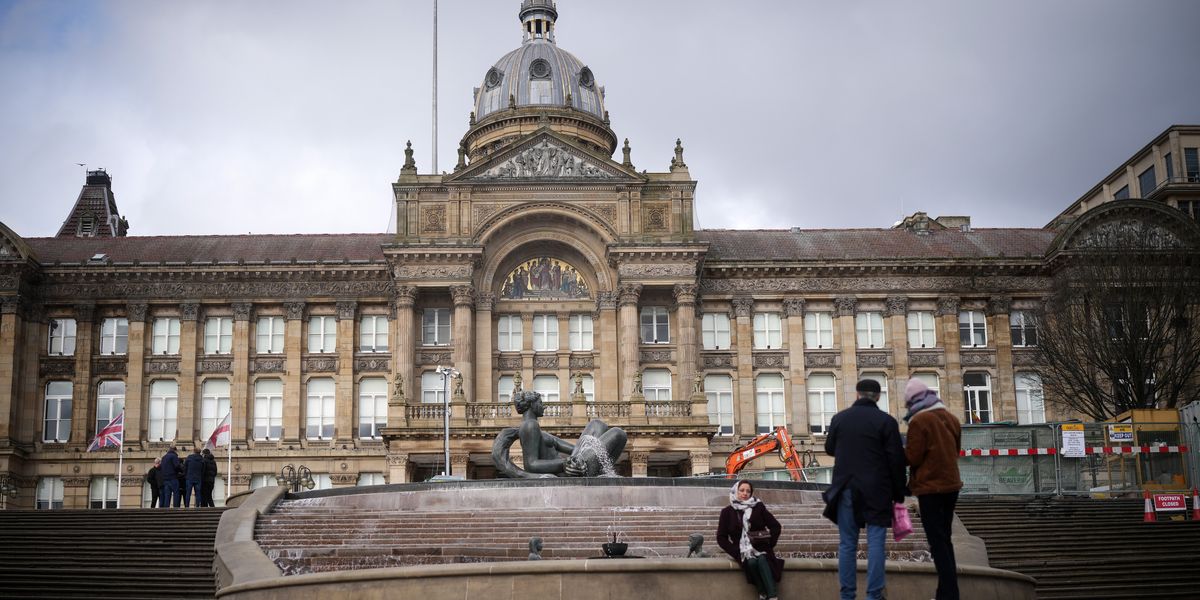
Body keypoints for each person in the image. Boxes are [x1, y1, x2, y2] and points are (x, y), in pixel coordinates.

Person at [823, 379, 906, 600]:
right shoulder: (886, 422)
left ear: (857, 395)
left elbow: (830, 448)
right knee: (876, 542)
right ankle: (873, 595)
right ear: (878, 397)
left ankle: (847, 595)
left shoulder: (840, 418)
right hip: (877, 490)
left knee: (847, 543)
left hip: (846, 487)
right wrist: (899, 493)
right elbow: (896, 460)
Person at [903, 378, 963, 600]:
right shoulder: (951, 418)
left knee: (937, 543)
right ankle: (946, 592)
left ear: (914, 400)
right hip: (951, 485)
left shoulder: (920, 421)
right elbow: (956, 450)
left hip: (931, 489)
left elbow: (912, 456)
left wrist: (891, 453)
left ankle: (948, 595)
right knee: (945, 540)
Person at [717, 480, 783, 600]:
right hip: (741, 551)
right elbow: (721, 537)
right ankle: (762, 592)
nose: (745, 493)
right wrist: (736, 551)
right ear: (735, 491)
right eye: (741, 490)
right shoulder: (727, 512)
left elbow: (776, 526)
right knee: (751, 562)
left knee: (762, 559)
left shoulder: (758, 507)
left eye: (748, 491)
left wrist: (769, 545)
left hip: (762, 547)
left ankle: (772, 596)